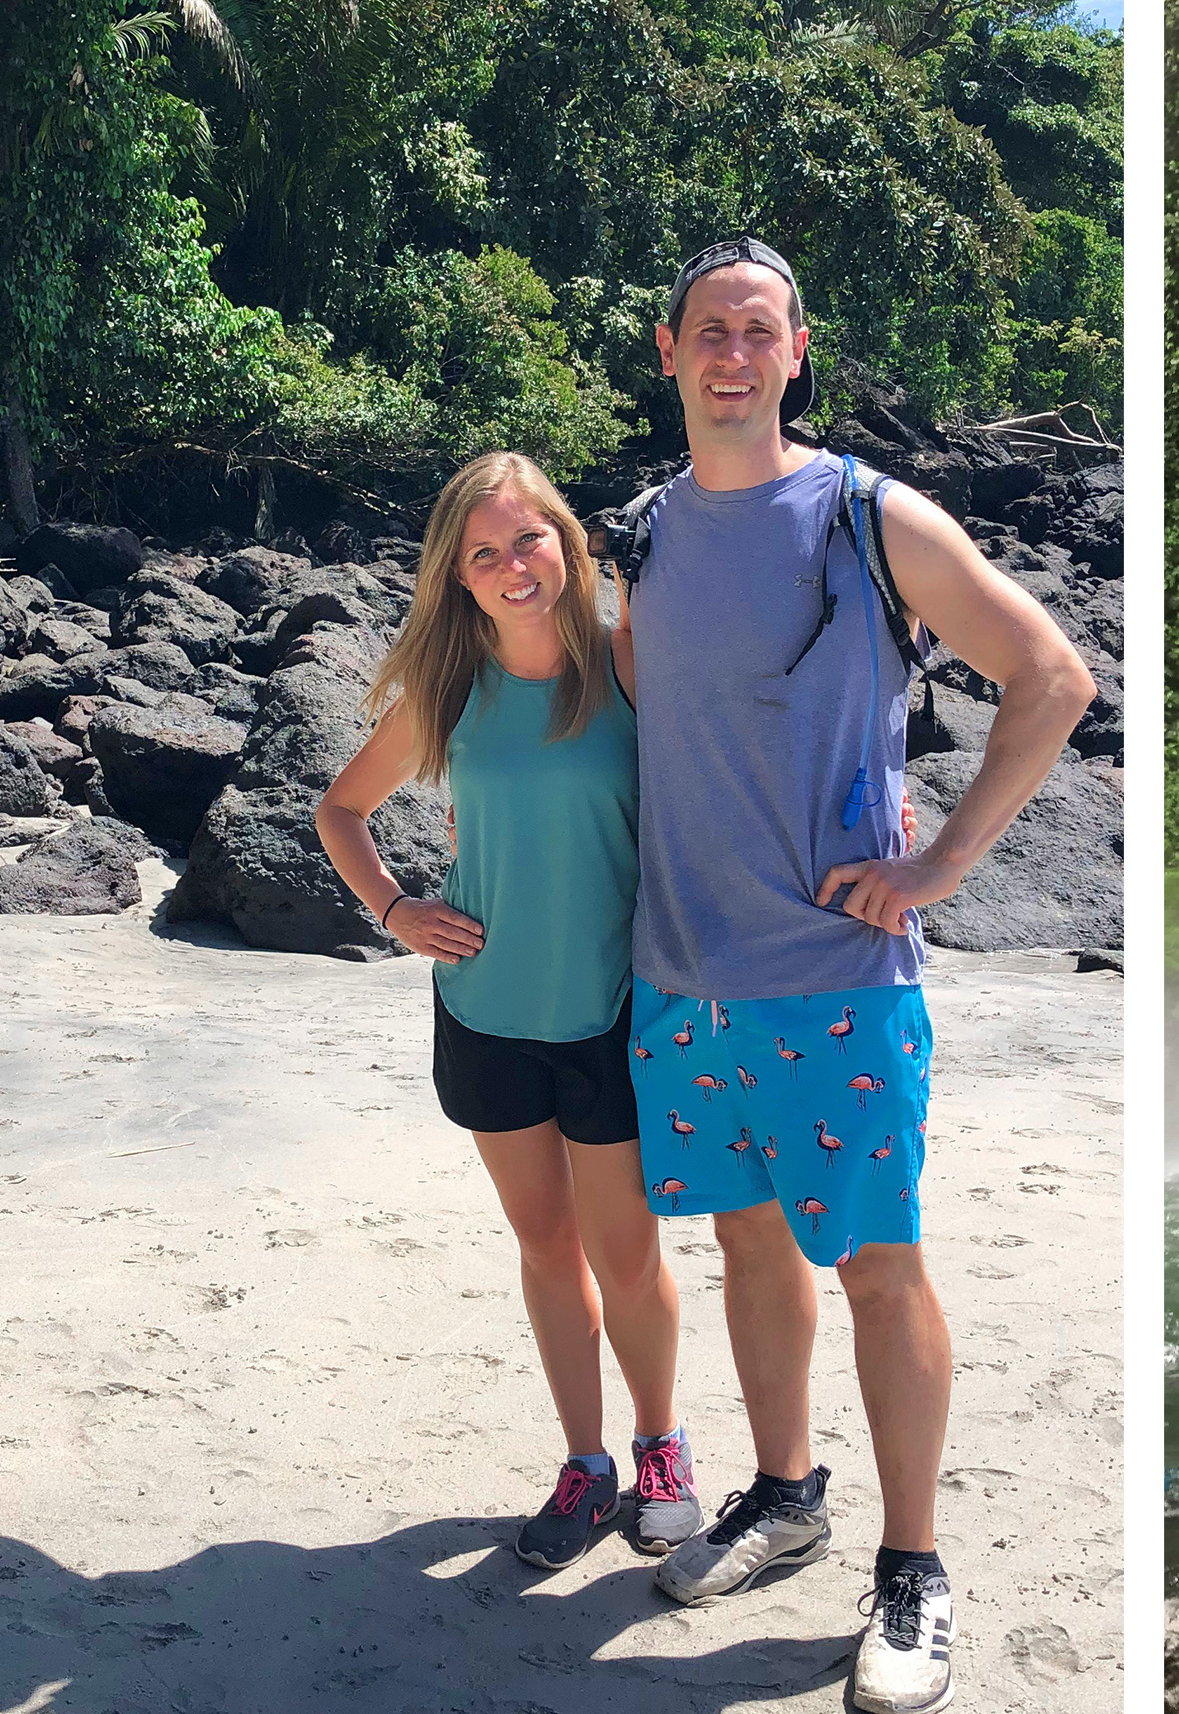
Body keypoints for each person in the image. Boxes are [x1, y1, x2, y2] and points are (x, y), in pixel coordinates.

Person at [618, 237, 1095, 1714]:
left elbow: (1054, 674)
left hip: (839, 975)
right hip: (683, 980)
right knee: (751, 1251)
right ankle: (785, 1491)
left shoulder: (867, 517)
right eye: (710, 331)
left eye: (759, 331)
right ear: (669, 351)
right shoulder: (639, 530)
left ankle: (914, 1568)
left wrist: (941, 865)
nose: (734, 355)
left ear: (798, 349)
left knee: (880, 1271)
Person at [313, 453, 703, 1570]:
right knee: (546, 1244)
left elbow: (738, 758)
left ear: (569, 544)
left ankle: (659, 1447)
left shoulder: (630, 664)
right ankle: (586, 1465)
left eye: (527, 540)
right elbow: (342, 810)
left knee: (627, 1252)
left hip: (614, 1014)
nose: (511, 566)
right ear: (459, 577)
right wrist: (394, 908)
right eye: (483, 553)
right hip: (486, 1012)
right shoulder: (449, 690)